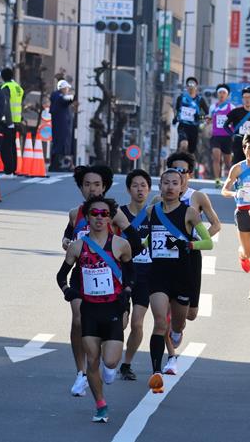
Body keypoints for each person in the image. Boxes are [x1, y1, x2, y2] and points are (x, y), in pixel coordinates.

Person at [61, 165, 141, 397]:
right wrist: (67, 243)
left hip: (111, 277)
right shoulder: (75, 213)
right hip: (82, 276)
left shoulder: (112, 212)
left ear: (104, 186)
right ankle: (81, 373)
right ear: (81, 187)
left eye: (97, 184)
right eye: (87, 184)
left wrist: (123, 258)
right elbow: (68, 236)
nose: (92, 189)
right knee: (77, 319)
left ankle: (106, 361)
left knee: (112, 328)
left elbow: (133, 239)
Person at [56, 196, 134, 423]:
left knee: (109, 362)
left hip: (112, 309)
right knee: (92, 360)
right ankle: (100, 405)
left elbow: (131, 274)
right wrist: (67, 290)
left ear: (110, 218)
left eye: (104, 214)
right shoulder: (77, 247)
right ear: (87, 217)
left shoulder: (121, 245)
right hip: (90, 309)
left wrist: (127, 292)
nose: (99, 218)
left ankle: (110, 370)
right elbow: (62, 275)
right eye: (94, 214)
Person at [146, 169, 213, 394]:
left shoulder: (190, 213)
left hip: (182, 275)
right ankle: (156, 372)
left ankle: (176, 335)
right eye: (166, 183)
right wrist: (135, 247)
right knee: (158, 321)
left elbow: (207, 242)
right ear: (160, 186)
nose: (170, 187)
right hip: (158, 275)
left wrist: (188, 245)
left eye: (175, 183)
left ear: (182, 187)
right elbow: (148, 239)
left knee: (177, 324)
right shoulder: (151, 211)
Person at [163, 152, 221, 374]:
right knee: (164, 307)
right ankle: (170, 356)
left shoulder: (197, 197)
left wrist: (198, 239)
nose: (179, 175)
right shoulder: (160, 199)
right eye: (174, 170)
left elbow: (216, 224)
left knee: (190, 313)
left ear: (189, 174)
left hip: (190, 256)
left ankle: (177, 328)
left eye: (183, 171)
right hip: (166, 257)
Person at [118, 169, 154, 381]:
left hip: (146, 275)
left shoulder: (156, 213)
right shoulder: (119, 214)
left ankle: (127, 364)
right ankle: (111, 353)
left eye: (143, 185)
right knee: (121, 322)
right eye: (135, 186)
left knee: (137, 323)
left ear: (149, 189)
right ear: (128, 189)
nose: (139, 189)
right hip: (122, 274)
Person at [222, 134, 250, 298]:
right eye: (249, 147)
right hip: (242, 212)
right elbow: (224, 189)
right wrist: (234, 192)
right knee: (248, 252)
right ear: (244, 149)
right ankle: (242, 254)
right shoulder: (237, 168)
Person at [224, 87, 250, 166]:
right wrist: (232, 135)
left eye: (249, 97)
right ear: (242, 99)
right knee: (237, 162)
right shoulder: (235, 112)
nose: (247, 100)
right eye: (245, 97)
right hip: (239, 141)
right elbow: (225, 125)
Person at [173, 77, 209, 156]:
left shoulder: (200, 100)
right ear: (186, 87)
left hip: (193, 128)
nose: (191, 87)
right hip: (183, 126)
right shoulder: (181, 98)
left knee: (191, 151)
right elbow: (177, 110)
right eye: (189, 84)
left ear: (196, 87)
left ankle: (188, 165)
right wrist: (176, 118)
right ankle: (179, 160)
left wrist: (200, 118)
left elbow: (208, 115)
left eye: (193, 85)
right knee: (183, 145)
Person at [0, 67, 24, 176]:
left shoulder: (6, 87)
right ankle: (13, 168)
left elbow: (6, 106)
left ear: (2, 77)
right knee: (12, 146)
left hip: (8, 121)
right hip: (17, 120)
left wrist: (7, 122)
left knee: (5, 146)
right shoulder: (18, 88)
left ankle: (8, 170)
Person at [209, 83, 234, 187]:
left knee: (228, 162)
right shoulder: (212, 107)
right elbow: (208, 119)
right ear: (217, 94)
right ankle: (217, 180)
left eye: (224, 92)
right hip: (216, 136)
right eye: (220, 92)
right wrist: (205, 121)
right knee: (216, 157)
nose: (221, 94)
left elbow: (236, 121)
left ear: (227, 95)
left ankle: (232, 179)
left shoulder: (231, 107)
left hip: (227, 137)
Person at [50, 79, 75, 171]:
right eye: (67, 88)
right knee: (60, 143)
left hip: (63, 125)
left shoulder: (57, 97)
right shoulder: (58, 96)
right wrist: (73, 97)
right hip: (61, 126)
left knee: (60, 143)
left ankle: (57, 164)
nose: (68, 90)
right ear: (63, 88)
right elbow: (65, 99)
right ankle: (57, 165)